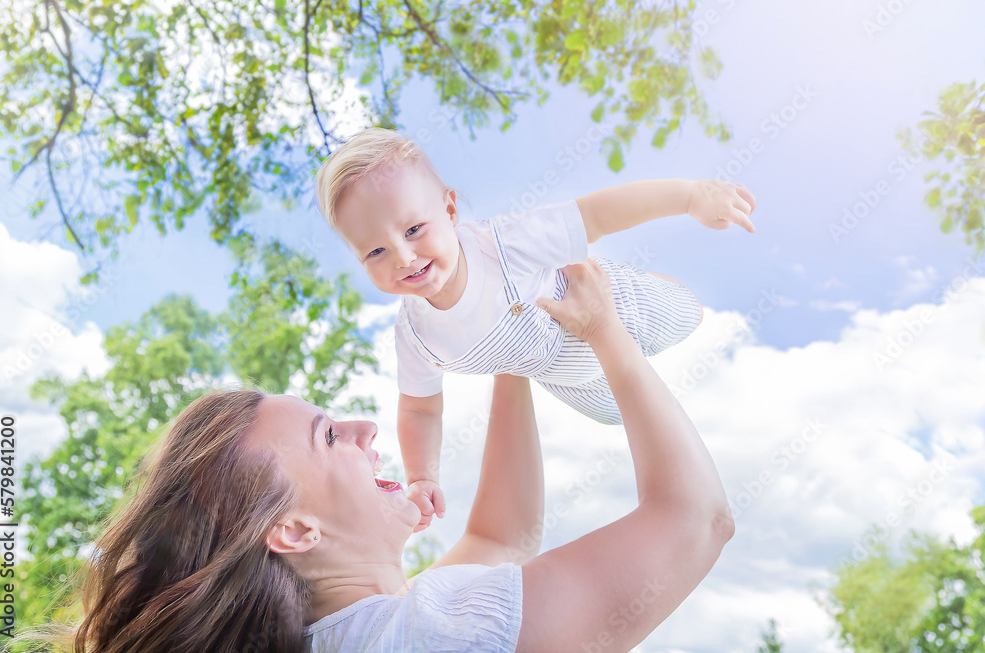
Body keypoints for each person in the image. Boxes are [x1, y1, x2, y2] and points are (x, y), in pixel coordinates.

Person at [38, 259, 734, 653]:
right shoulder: (429, 631)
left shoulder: (354, 635)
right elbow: (697, 519)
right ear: (295, 531)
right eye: (328, 435)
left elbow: (502, 538)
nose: (365, 425)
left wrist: (508, 352)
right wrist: (605, 329)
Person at [314, 127, 756, 532]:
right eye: (375, 251)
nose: (404, 257)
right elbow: (419, 409)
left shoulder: (503, 246)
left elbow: (598, 215)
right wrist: (422, 475)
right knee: (618, 413)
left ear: (449, 209)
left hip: (616, 304)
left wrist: (689, 196)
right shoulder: (416, 334)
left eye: (413, 229)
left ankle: (667, 288)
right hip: (565, 374)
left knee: (684, 315)